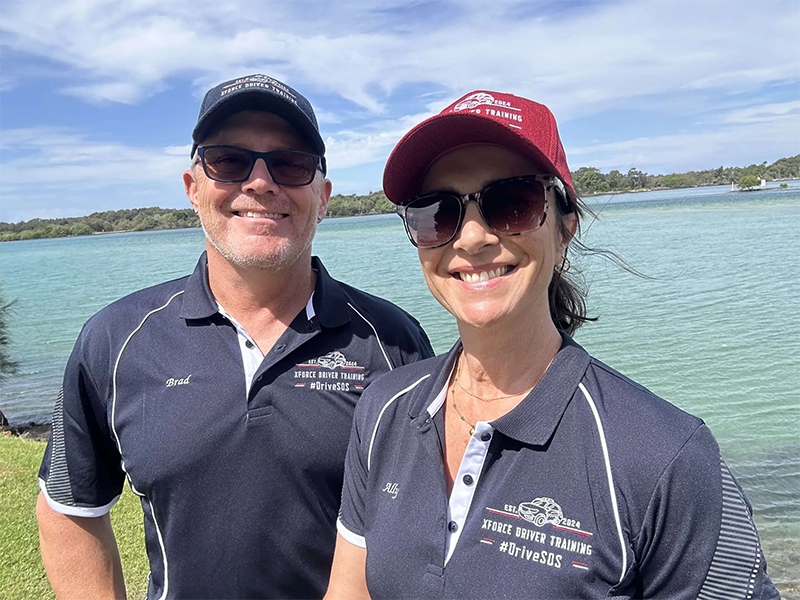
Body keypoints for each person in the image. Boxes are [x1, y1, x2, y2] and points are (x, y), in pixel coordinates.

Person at [325, 90, 780, 599]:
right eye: (438, 213)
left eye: (511, 203)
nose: (471, 238)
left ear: (565, 231)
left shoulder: (667, 456)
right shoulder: (383, 410)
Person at [36, 74, 433, 600]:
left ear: (323, 197)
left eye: (291, 164)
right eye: (228, 161)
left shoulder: (394, 341)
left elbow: (423, 525)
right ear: (192, 187)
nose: (260, 183)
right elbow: (70, 505)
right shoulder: (115, 340)